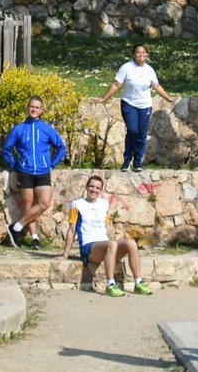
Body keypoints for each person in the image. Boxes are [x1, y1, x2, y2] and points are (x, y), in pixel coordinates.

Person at [59, 174, 152, 296]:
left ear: (101, 190)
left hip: (106, 246)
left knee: (131, 243)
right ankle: (110, 285)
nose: (94, 190)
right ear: (86, 187)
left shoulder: (104, 204)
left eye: (97, 188)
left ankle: (138, 283)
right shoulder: (76, 204)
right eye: (91, 186)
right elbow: (71, 230)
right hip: (89, 247)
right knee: (112, 244)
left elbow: (106, 227)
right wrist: (65, 255)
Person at [99, 42, 178, 170]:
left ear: (146, 55)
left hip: (144, 105)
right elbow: (116, 84)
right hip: (129, 103)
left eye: (143, 52)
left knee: (141, 133)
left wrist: (168, 98)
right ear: (133, 55)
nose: (141, 54)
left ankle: (137, 162)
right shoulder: (126, 68)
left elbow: (156, 86)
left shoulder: (149, 70)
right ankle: (127, 160)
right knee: (132, 130)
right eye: (138, 52)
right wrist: (104, 98)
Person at [2, 95, 67, 248]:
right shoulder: (19, 129)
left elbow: (61, 147)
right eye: (32, 106)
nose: (34, 109)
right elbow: (6, 149)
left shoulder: (46, 128)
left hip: (43, 171)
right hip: (25, 171)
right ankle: (34, 238)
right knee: (28, 204)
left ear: (41, 110)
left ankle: (16, 227)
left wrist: (52, 164)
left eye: (37, 107)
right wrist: (15, 165)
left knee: (44, 203)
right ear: (27, 108)